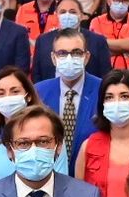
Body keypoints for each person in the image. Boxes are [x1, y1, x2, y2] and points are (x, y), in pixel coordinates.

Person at [0, 67, 66, 186]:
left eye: (15, 91)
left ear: (28, 96)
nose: (8, 97)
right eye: (1, 93)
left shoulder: (50, 136)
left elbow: (62, 183)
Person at [75, 70, 129, 197]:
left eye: (124, 96)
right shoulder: (88, 146)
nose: (117, 103)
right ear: (102, 104)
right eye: (109, 97)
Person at [36, 27, 103, 169]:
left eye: (76, 53)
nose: (69, 58)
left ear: (87, 57)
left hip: (90, 174)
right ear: (53, 58)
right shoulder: (39, 92)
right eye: (62, 53)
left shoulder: (104, 90)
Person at [31, 0, 111, 82]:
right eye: (63, 12)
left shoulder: (98, 41)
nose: (67, 15)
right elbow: (36, 74)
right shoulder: (43, 41)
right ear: (56, 15)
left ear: (81, 15)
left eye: (73, 12)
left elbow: (105, 75)